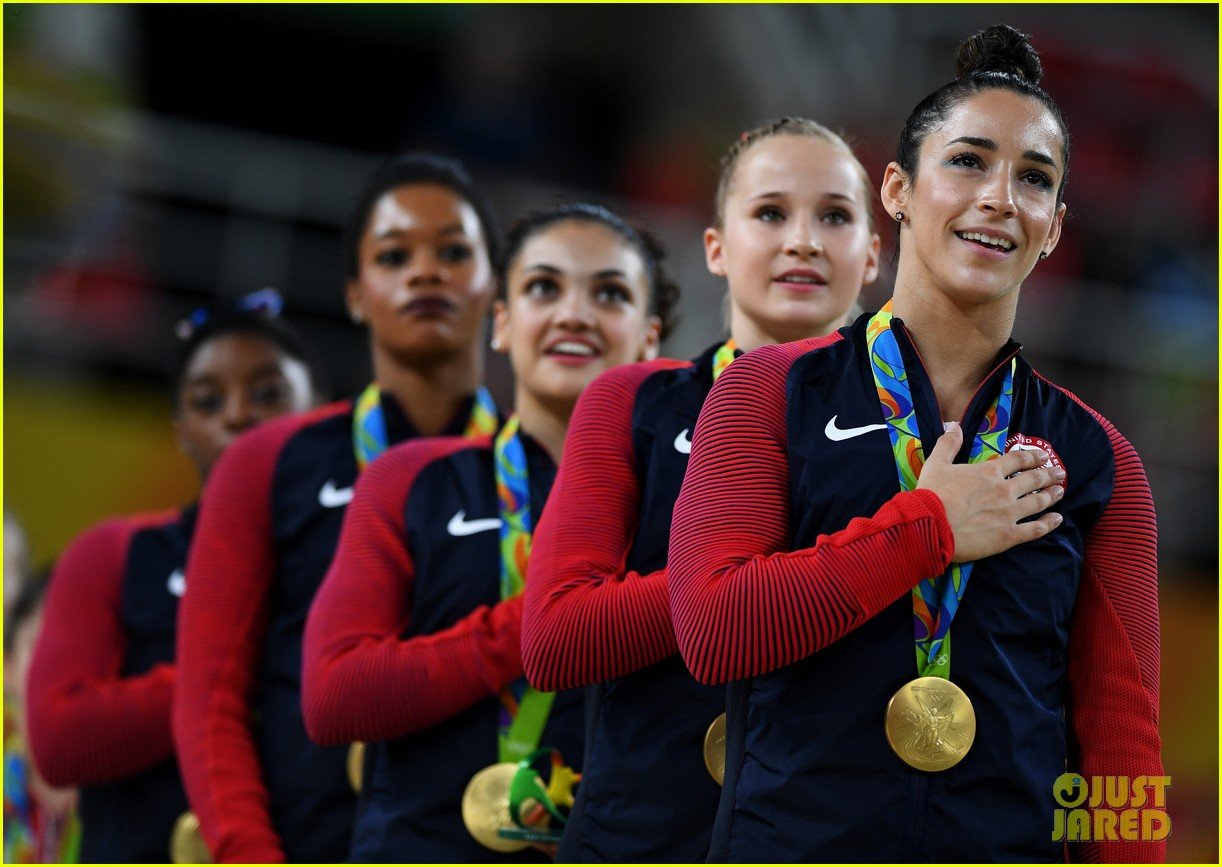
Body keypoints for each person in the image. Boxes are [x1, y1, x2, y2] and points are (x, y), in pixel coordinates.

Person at [666, 24, 1163, 863]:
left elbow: (1121, 744)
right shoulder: (768, 391)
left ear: (1053, 227)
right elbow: (715, 629)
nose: (1001, 196)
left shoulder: (1101, 458)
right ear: (896, 189)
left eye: (1034, 179)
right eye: (968, 161)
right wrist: (927, 528)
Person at [521, 118, 881, 862]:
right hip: (640, 832)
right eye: (771, 212)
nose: (804, 240)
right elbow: (556, 638)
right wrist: (733, 581)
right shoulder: (632, 403)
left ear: (875, 255)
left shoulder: (913, 437)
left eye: (836, 216)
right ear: (716, 245)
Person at [302, 202, 676, 861]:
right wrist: (543, 623)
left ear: (650, 338)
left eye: (610, 293)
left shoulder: (688, 495)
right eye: (543, 287)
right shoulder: (412, 479)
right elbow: (336, 695)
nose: (574, 314)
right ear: (501, 323)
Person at [172, 153, 504, 863]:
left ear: (494, 287)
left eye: (454, 252)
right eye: (394, 255)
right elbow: (209, 700)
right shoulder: (265, 462)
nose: (426, 271)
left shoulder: (537, 469)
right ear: (356, 293)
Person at [25, 291, 316, 862]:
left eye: (269, 394)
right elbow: (60, 741)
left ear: (321, 414)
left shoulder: (355, 551)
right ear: (180, 429)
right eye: (208, 402)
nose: (238, 415)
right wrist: (231, 674)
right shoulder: (116, 552)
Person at [7, 571, 81, 864]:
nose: (55, 665)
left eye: (74, 646)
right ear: (7, 667)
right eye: (37, 643)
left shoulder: (132, 801)